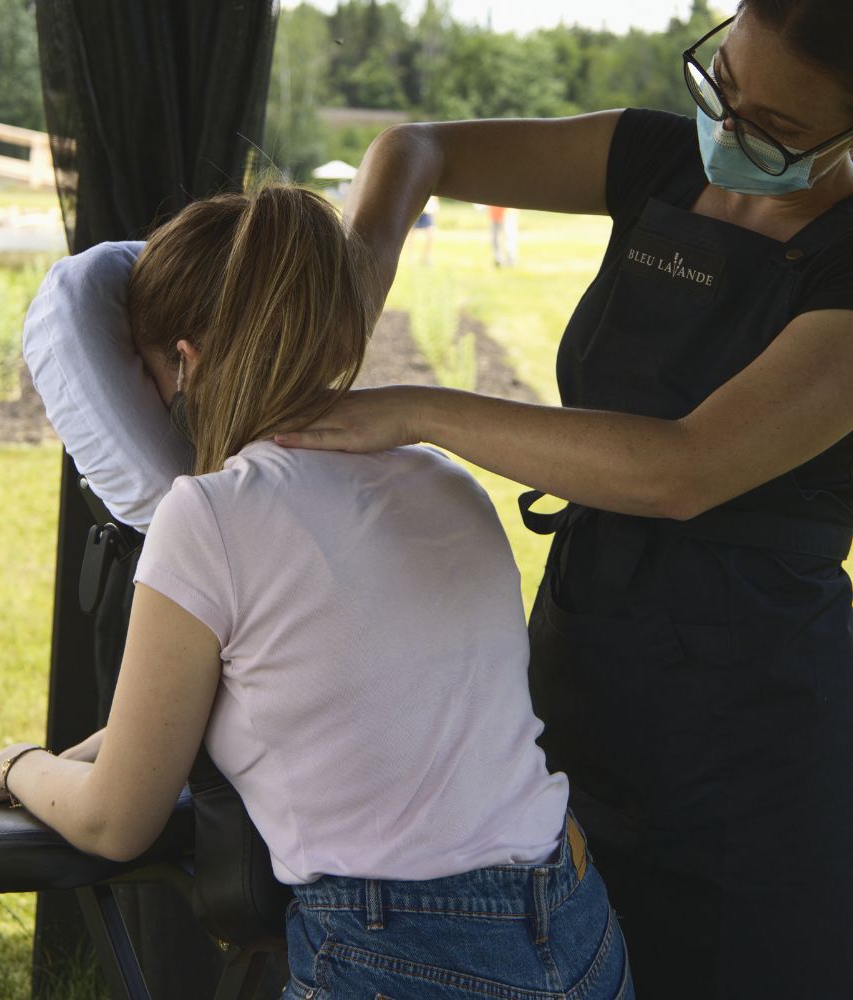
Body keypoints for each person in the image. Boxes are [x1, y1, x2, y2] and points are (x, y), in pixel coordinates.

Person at [274, 3, 853, 998]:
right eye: (722, 86)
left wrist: (411, 409)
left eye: (777, 130)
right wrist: (356, 275)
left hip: (752, 717)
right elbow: (414, 148)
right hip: (580, 650)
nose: (730, 131)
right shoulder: (656, 159)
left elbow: (681, 468)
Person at [0, 186, 632, 1000]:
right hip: (576, 921)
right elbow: (312, 687)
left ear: (186, 363)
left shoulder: (207, 515)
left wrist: (17, 764)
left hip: (399, 951)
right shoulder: (448, 484)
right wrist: (94, 750)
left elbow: (114, 819)